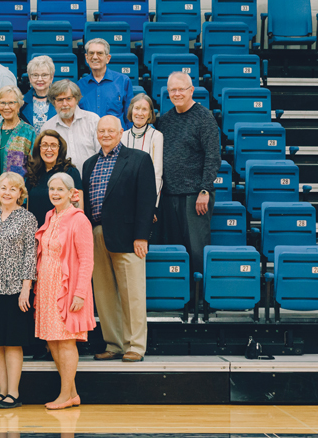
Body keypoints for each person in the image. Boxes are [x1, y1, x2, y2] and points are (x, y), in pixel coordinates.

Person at [82, 116, 156, 363]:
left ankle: (135, 345)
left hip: (128, 236)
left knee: (132, 293)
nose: (105, 134)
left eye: (110, 131)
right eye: (101, 130)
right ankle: (113, 344)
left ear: (120, 132)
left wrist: (141, 236)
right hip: (97, 234)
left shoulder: (138, 159)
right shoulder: (89, 164)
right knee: (104, 293)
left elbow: (146, 202)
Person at [0, 172, 38, 409]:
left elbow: (30, 256)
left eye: (13, 189)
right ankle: (1, 392)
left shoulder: (27, 218)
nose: (7, 193)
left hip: (15, 288)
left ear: (20, 193)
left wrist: (26, 288)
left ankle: (14, 392)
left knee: (12, 342)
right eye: (3, 188)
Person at [35, 172, 95, 410]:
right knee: (52, 340)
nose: (55, 194)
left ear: (72, 193)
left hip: (68, 288)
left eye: (60, 189)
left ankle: (65, 395)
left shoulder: (80, 220)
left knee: (67, 342)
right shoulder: (50, 216)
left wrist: (80, 293)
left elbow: (87, 260)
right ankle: (72, 393)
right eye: (52, 189)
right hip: (48, 286)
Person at [154, 71, 220, 274]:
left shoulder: (204, 118)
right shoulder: (164, 121)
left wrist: (205, 190)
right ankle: (180, 296)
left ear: (191, 90)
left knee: (196, 249)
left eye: (180, 89)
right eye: (172, 90)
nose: (176, 93)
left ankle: (199, 301)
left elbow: (213, 156)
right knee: (174, 249)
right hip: (169, 194)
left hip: (195, 195)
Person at [121, 93, 164, 231]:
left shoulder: (157, 136)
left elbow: (157, 173)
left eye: (144, 109)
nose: (140, 113)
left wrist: (152, 206)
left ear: (150, 113)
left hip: (146, 198)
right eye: (136, 108)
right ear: (131, 110)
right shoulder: (122, 136)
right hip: (125, 199)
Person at [25, 130, 83, 228]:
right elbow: (27, 208)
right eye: (44, 145)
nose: (49, 149)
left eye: (53, 145)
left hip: (62, 233)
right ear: (38, 149)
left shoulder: (70, 172)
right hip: (36, 233)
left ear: (59, 149)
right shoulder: (32, 173)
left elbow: (79, 208)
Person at [43, 79, 100, 171]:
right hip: (62, 182)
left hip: (92, 180)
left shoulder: (93, 120)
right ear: (54, 102)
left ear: (76, 99)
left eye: (69, 99)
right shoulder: (48, 127)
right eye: (60, 100)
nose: (64, 104)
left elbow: (102, 153)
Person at [78, 38, 134, 128]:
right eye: (91, 53)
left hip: (116, 139)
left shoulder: (123, 81)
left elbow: (130, 117)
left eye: (99, 53)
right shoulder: (79, 86)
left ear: (108, 58)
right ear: (86, 58)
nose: (95, 57)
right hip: (89, 139)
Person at [0, 85, 36, 177]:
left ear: (19, 105)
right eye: (2, 103)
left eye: (11, 103)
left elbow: (34, 165)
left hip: (18, 187)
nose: (6, 107)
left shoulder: (29, 132)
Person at [24, 55, 57, 135]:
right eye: (35, 75)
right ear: (30, 78)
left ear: (51, 77)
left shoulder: (60, 100)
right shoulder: (22, 103)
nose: (39, 79)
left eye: (44, 75)